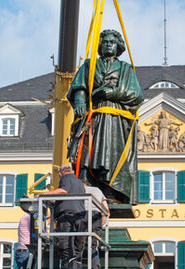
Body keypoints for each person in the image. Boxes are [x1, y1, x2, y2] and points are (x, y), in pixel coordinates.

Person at [67, 29, 144, 205]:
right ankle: (88, 185)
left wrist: (112, 92)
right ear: (100, 45)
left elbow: (137, 95)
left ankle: (110, 191)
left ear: (118, 47)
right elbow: (80, 86)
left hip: (115, 117)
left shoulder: (125, 69)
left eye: (112, 42)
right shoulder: (89, 65)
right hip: (94, 114)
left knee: (112, 152)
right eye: (105, 41)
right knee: (88, 150)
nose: (108, 44)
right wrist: (79, 102)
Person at [41, 164, 85, 268]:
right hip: (80, 217)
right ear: (73, 171)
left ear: (60, 173)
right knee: (77, 245)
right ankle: (77, 266)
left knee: (65, 244)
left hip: (67, 217)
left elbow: (63, 191)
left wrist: (44, 195)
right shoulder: (79, 183)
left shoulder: (65, 178)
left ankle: (68, 268)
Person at [81, 180, 110, 269]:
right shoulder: (97, 189)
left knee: (79, 242)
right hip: (96, 215)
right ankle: (95, 267)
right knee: (94, 244)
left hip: (82, 214)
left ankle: (77, 265)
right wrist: (101, 224)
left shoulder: (78, 189)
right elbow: (107, 211)